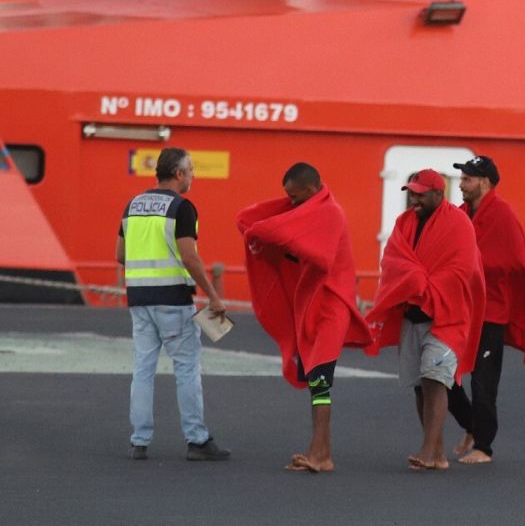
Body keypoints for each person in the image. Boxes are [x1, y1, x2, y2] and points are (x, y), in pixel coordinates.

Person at [236, 162, 373, 473]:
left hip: (330, 309)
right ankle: (318, 450)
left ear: (312, 191)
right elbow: (248, 219)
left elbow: (319, 256)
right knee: (316, 382)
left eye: (295, 198)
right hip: (312, 308)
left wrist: (278, 232)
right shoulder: (308, 211)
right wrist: (284, 218)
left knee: (321, 381)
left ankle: (323, 455)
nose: (291, 204)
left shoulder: (329, 213)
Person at [366, 169, 486, 471]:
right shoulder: (403, 223)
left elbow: (462, 269)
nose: (415, 199)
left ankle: (428, 449)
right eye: (412, 193)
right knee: (420, 386)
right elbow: (392, 260)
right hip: (411, 317)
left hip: (446, 317)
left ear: (438, 193)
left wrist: (421, 284)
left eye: (421, 194)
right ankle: (437, 452)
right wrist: (413, 280)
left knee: (435, 381)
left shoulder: (459, 224)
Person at [118, 147, 230, 461]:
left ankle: (139, 441)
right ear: (179, 174)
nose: (193, 176)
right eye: (191, 170)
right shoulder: (182, 207)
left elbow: (119, 255)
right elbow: (189, 256)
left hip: (139, 299)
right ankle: (197, 440)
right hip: (173, 300)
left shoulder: (133, 205)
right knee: (186, 369)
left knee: (142, 369)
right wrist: (213, 295)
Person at [447, 156, 525, 464]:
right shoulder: (460, 214)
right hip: (461, 310)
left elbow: (514, 260)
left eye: (468, 179)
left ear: (485, 182)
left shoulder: (503, 214)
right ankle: (472, 427)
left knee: (483, 382)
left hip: (491, 312)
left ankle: (484, 447)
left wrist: (471, 266)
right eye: (462, 179)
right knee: (444, 376)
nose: (461, 184)